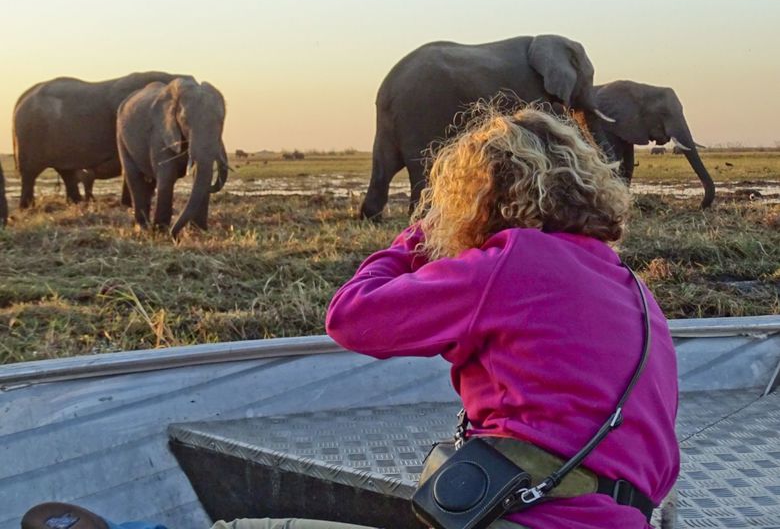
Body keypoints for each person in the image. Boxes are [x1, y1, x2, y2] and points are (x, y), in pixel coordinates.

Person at [22, 104, 679, 528]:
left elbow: (353, 317)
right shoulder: (633, 289)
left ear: (484, 195)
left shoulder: (513, 262)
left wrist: (416, 239)